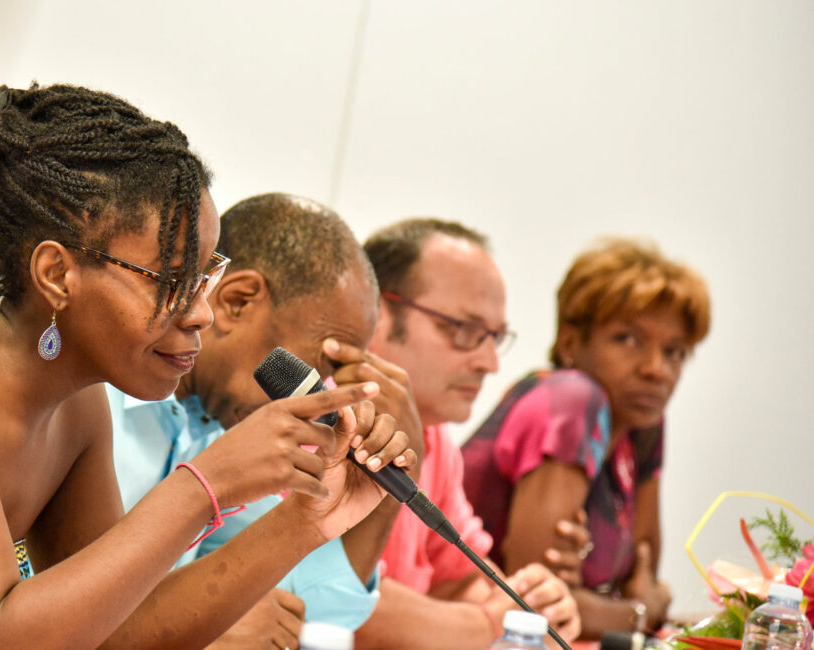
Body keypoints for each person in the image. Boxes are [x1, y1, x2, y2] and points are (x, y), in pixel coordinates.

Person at [0, 85, 414, 649]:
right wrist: (204, 487)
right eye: (170, 280)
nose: (201, 315)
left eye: (205, 276)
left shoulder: (76, 406)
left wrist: (307, 520)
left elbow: (113, 637)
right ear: (58, 273)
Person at [108, 193, 421, 643]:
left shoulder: (214, 428)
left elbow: (298, 609)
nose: (325, 396)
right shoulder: (93, 403)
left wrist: (379, 490)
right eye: (322, 365)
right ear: (237, 301)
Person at [348, 218, 583, 649]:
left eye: (494, 337)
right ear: (377, 313)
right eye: (465, 331)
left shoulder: (436, 439)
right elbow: (334, 602)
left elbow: (464, 582)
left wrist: (533, 605)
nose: (489, 363)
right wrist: (489, 625)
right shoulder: (319, 416)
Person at [462, 238, 710, 639]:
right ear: (571, 342)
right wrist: (642, 610)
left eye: (675, 352)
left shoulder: (642, 426)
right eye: (628, 340)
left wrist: (633, 605)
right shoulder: (570, 401)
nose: (656, 369)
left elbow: (644, 575)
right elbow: (535, 607)